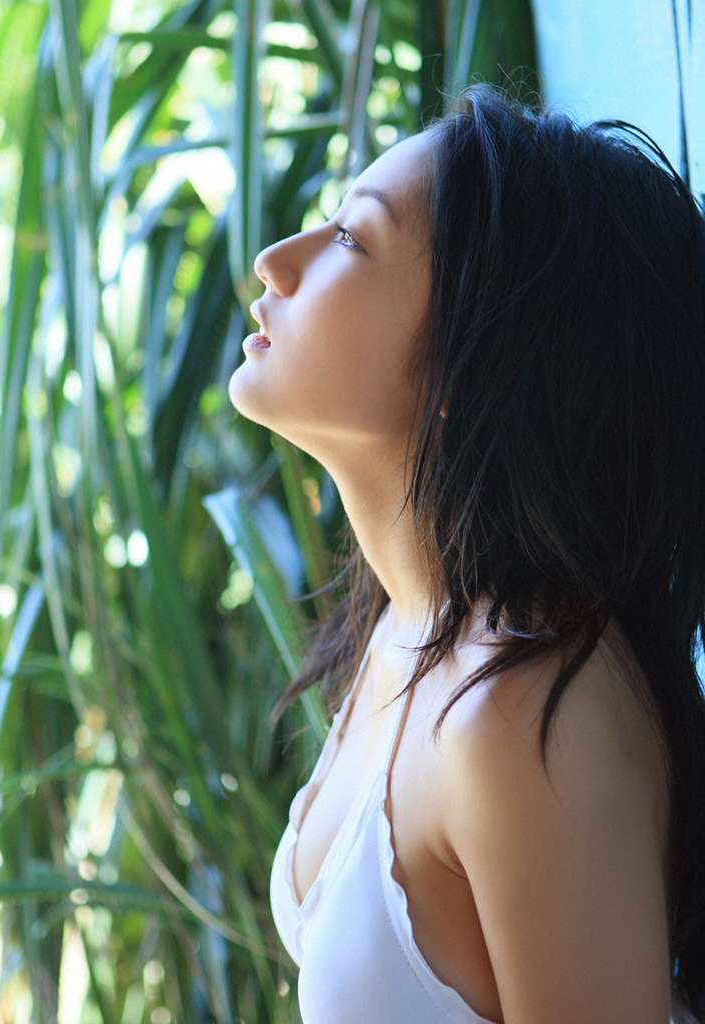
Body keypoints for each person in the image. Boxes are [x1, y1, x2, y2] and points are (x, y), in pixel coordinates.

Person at [228, 81, 705, 1024]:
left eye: (352, 239)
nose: (276, 262)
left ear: (472, 358)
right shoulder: (408, 629)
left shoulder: (519, 711)